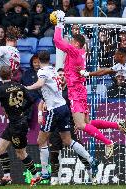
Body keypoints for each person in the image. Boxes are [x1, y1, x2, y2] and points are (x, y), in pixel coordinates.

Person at [53, 11, 126, 159]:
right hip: (80, 90)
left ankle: (108, 142)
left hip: (75, 91)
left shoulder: (74, 51)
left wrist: (59, 24)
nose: (69, 43)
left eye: (71, 41)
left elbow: (57, 41)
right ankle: (117, 125)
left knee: (80, 125)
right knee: (87, 122)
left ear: (76, 43)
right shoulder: (81, 52)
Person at [25, 51, 99, 185]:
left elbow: (40, 83)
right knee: (67, 140)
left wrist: (27, 87)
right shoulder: (53, 70)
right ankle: (91, 159)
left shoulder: (42, 71)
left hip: (54, 109)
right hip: (64, 108)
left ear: (39, 60)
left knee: (41, 141)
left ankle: (45, 173)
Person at [0, 66, 41, 186]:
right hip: (16, 123)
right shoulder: (20, 86)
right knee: (0, 148)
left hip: (18, 125)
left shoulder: (1, 89)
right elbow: (32, 100)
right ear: (11, 75)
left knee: (21, 154)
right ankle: (7, 177)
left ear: (0, 76)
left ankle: (36, 176)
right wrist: (22, 109)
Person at [39, 68, 93, 185]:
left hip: (69, 124)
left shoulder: (71, 91)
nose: (62, 76)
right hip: (54, 125)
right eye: (60, 75)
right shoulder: (53, 90)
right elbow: (41, 103)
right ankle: (54, 177)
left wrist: (79, 122)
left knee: (78, 149)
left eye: (64, 74)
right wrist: (39, 115)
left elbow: (80, 106)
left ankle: (90, 172)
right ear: (57, 77)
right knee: (54, 151)